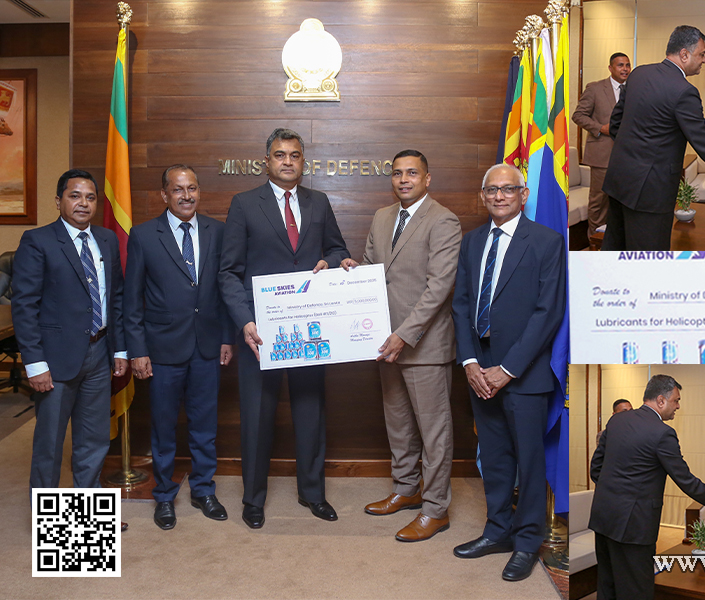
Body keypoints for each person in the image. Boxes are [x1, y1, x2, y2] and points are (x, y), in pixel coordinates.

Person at [219, 128, 350, 529]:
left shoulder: (319, 201)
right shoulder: (243, 204)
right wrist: (245, 321)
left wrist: (335, 261)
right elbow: (228, 272)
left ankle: (313, 494)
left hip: (309, 328)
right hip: (260, 331)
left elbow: (338, 248)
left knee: (310, 410)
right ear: (267, 162)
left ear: (303, 161)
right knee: (257, 415)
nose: (287, 161)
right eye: (280, 155)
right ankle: (253, 499)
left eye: (295, 155)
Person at [450, 163, 565, 582]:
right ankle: (497, 531)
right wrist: (469, 362)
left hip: (524, 375)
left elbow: (547, 312)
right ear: (483, 195)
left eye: (507, 189)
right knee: (495, 461)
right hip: (478, 373)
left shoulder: (547, 241)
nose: (499, 196)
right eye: (491, 190)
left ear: (524, 193)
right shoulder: (473, 241)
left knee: (529, 463)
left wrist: (508, 368)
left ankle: (526, 542)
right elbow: (461, 305)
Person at [341, 150, 461, 542]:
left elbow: (439, 288)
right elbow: (375, 271)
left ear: (428, 179)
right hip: (384, 342)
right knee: (399, 425)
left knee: (433, 432)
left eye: (412, 173)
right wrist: (349, 273)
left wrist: (405, 334)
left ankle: (435, 509)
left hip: (422, 345)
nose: (403, 179)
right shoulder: (382, 216)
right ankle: (406, 489)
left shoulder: (443, 220)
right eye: (397, 173)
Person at [124, 165, 234, 530]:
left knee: (205, 427)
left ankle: (204, 490)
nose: (186, 196)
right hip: (162, 350)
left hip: (207, 346)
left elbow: (225, 289)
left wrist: (226, 337)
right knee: (164, 428)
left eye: (192, 189)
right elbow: (132, 298)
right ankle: (165, 497)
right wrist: (137, 350)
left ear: (199, 191)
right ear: (164, 195)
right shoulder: (142, 235)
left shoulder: (217, 231)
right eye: (178, 189)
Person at [12, 169, 128, 491]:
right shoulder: (38, 241)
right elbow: (24, 307)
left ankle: (87, 518)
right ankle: (47, 522)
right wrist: (35, 363)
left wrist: (119, 348)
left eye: (90, 197)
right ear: (58, 201)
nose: (83, 203)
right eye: (74, 196)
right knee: (50, 445)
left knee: (93, 442)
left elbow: (115, 298)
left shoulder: (106, 239)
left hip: (99, 354)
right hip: (54, 361)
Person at [600, 25, 705, 251]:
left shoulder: (639, 73)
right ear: (684, 54)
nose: (704, 60)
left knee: (616, 248)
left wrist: (634, 153)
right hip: (651, 190)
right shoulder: (684, 91)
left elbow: (616, 122)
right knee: (648, 257)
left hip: (619, 179)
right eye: (701, 54)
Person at [589, 375, 705, 600]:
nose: (678, 406)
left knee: (608, 584)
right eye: (676, 400)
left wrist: (614, 493)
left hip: (604, 516)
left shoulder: (616, 421)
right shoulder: (662, 433)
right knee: (637, 588)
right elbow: (684, 478)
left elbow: (596, 467)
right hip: (635, 525)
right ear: (661, 400)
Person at [572, 52, 631, 233]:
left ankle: (615, 243)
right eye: (620, 65)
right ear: (610, 68)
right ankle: (594, 243)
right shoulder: (595, 88)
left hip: (628, 156)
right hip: (602, 155)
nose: (625, 69)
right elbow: (578, 115)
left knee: (622, 201)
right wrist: (599, 128)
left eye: (628, 65)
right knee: (599, 201)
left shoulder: (634, 90)